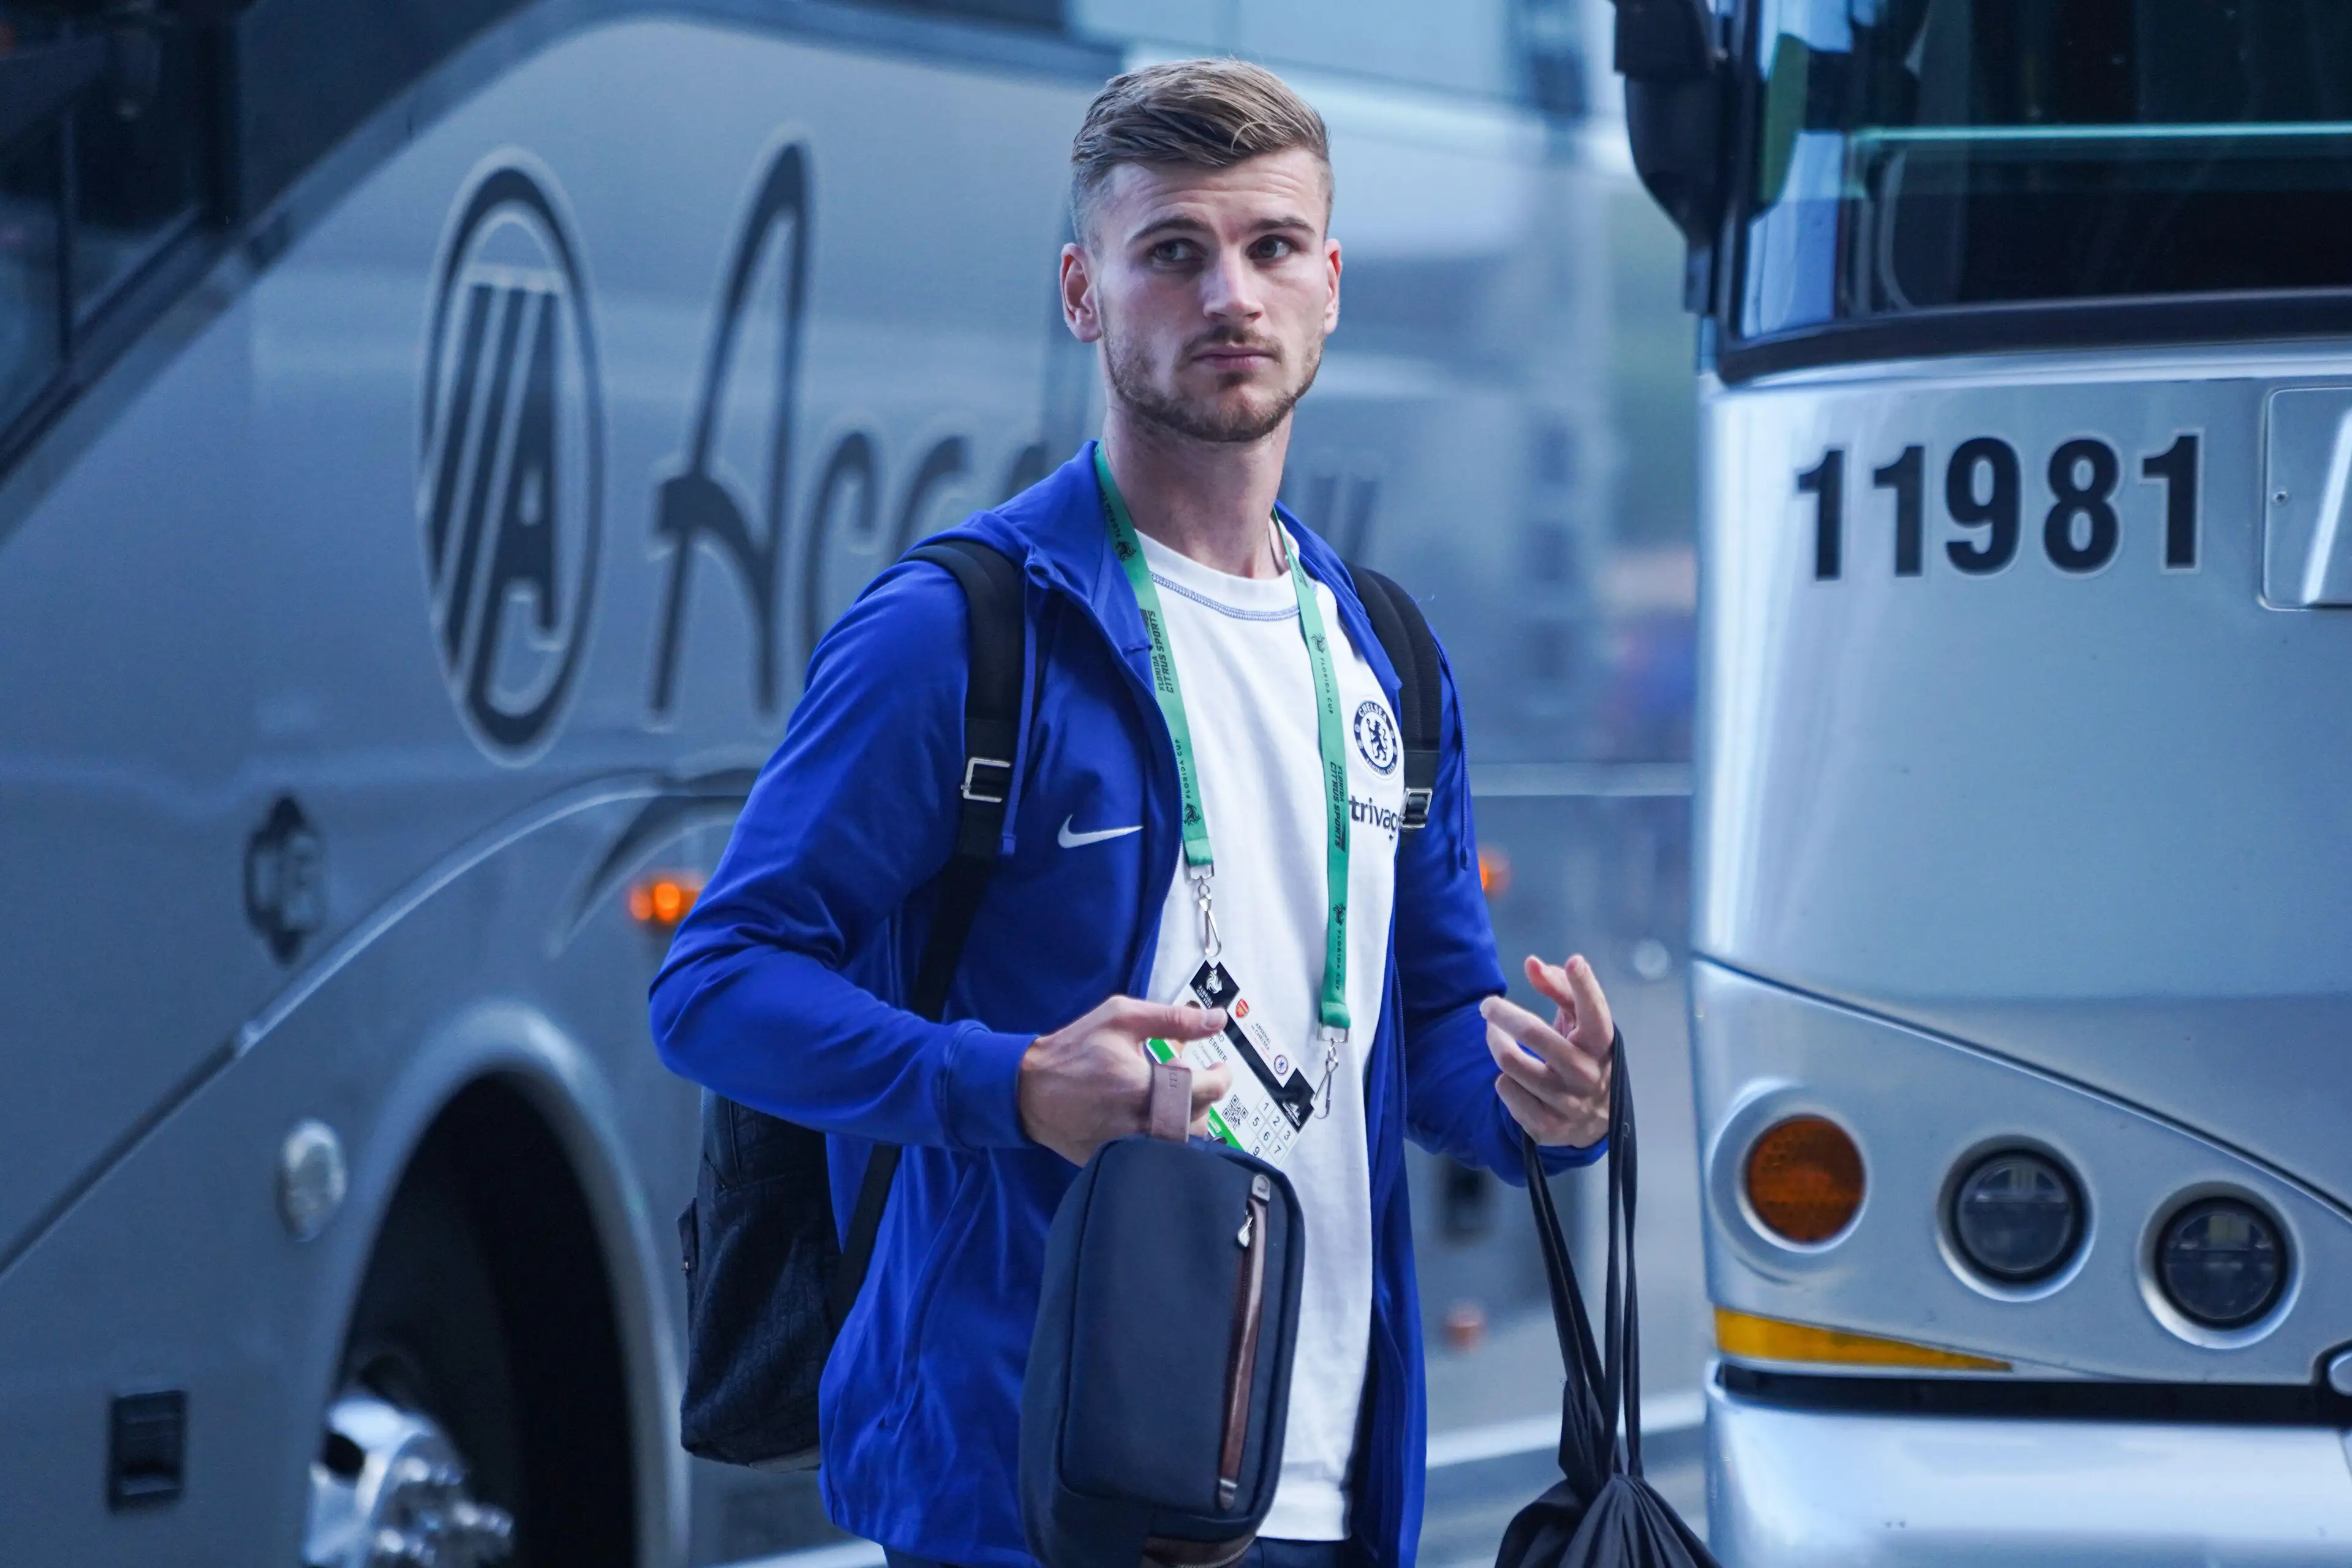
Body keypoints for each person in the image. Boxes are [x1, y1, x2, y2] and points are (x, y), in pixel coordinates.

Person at [651, 58, 1616, 1568]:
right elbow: (713, 987)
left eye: (1272, 246)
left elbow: (1424, 1026)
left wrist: (1545, 1106)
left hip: (1324, 1486)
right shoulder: (955, 631)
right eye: (1172, 249)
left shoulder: (1388, 654)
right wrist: (1012, 1082)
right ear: (1084, 292)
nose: (1230, 291)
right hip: (1030, 1491)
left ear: (1332, 284)